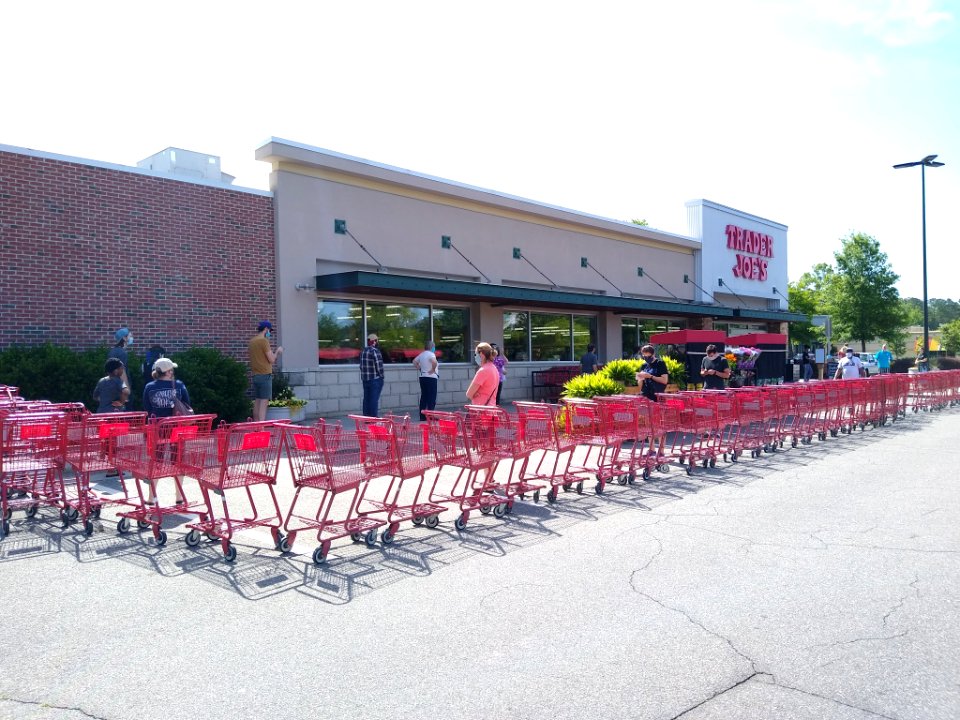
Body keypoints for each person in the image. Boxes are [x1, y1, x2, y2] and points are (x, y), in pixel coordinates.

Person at [141, 358, 188, 504]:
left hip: (158, 427)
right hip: (177, 427)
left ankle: (151, 497)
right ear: (169, 371)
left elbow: (147, 408)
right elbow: (187, 404)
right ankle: (179, 496)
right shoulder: (179, 385)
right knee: (178, 460)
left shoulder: (149, 386)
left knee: (156, 460)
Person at [249, 321, 283, 422]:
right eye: (269, 331)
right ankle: (262, 428)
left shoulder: (252, 341)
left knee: (257, 401)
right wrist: (278, 351)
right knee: (264, 403)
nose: (270, 333)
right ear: (266, 329)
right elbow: (271, 360)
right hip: (265, 375)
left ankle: (255, 426)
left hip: (256, 375)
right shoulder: (264, 341)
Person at [412, 339, 438, 421]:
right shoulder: (431, 354)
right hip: (431, 377)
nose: (434, 348)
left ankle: (422, 416)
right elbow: (434, 362)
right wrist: (433, 369)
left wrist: (419, 368)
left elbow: (414, 362)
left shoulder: (422, 354)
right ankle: (430, 415)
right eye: (434, 346)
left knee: (424, 397)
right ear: (431, 347)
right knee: (431, 397)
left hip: (422, 377)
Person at [108, 327, 134, 408]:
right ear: (124, 338)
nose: (131, 338)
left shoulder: (112, 351)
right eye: (129, 336)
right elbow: (122, 373)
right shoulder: (122, 353)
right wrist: (127, 391)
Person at [360, 333, 385, 417]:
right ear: (374, 341)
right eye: (376, 340)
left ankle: (366, 417)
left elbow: (361, 366)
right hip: (375, 379)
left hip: (365, 379)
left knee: (366, 399)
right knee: (374, 399)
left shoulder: (363, 351)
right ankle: (373, 417)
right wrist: (381, 376)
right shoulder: (375, 351)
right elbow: (379, 366)